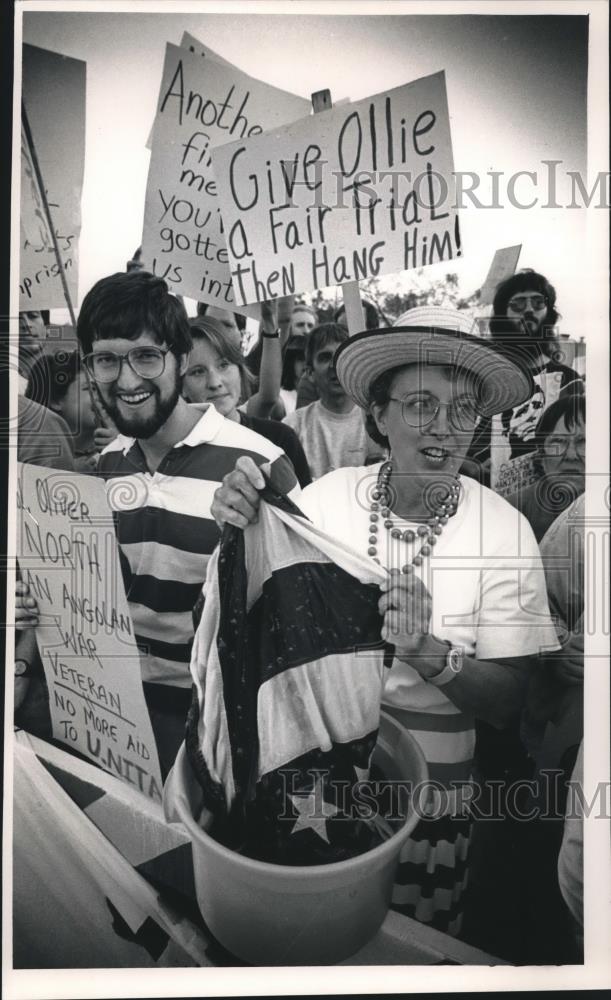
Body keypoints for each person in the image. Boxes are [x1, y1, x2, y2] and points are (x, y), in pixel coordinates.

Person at [211, 306, 559, 935]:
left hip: (432, 805)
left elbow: (512, 703)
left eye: (463, 410)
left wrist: (430, 653)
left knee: (410, 950)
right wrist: (241, 519)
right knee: (306, 937)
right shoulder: (321, 503)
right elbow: (254, 612)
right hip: (306, 782)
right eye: (421, 403)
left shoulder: (504, 530)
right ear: (379, 414)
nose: (445, 428)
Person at [18, 271, 300, 775]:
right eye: (106, 360)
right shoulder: (101, 470)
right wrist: (31, 601)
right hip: (99, 719)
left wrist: (256, 539)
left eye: (146, 356)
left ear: (178, 357)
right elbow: (81, 606)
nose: (126, 381)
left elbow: (301, 617)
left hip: (213, 734)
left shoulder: (261, 465)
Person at [464, 269, 582, 487]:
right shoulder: (484, 378)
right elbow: (457, 441)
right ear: (502, 315)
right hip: (484, 501)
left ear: (548, 313)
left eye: (538, 303)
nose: (528, 310)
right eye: (518, 304)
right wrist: (473, 467)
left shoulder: (569, 382)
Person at [182, 317, 311, 488]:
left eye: (224, 365)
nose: (214, 382)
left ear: (241, 371)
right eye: (198, 372)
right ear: (181, 385)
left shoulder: (280, 439)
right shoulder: (173, 454)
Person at [283, 323, 383, 480]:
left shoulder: (379, 422)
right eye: (325, 357)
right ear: (309, 372)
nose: (334, 365)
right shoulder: (293, 426)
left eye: (342, 356)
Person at [505, 392, 585, 541]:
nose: (571, 455)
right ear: (541, 453)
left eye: (583, 442)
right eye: (559, 441)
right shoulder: (511, 511)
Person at [24, 349, 115, 472]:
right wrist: (68, 472)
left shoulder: (127, 445)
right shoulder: (29, 453)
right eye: (91, 389)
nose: (104, 396)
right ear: (56, 400)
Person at [295, 298, 383, 409]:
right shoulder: (314, 378)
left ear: (372, 331)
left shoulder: (387, 372)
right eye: (341, 329)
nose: (346, 336)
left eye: (352, 330)